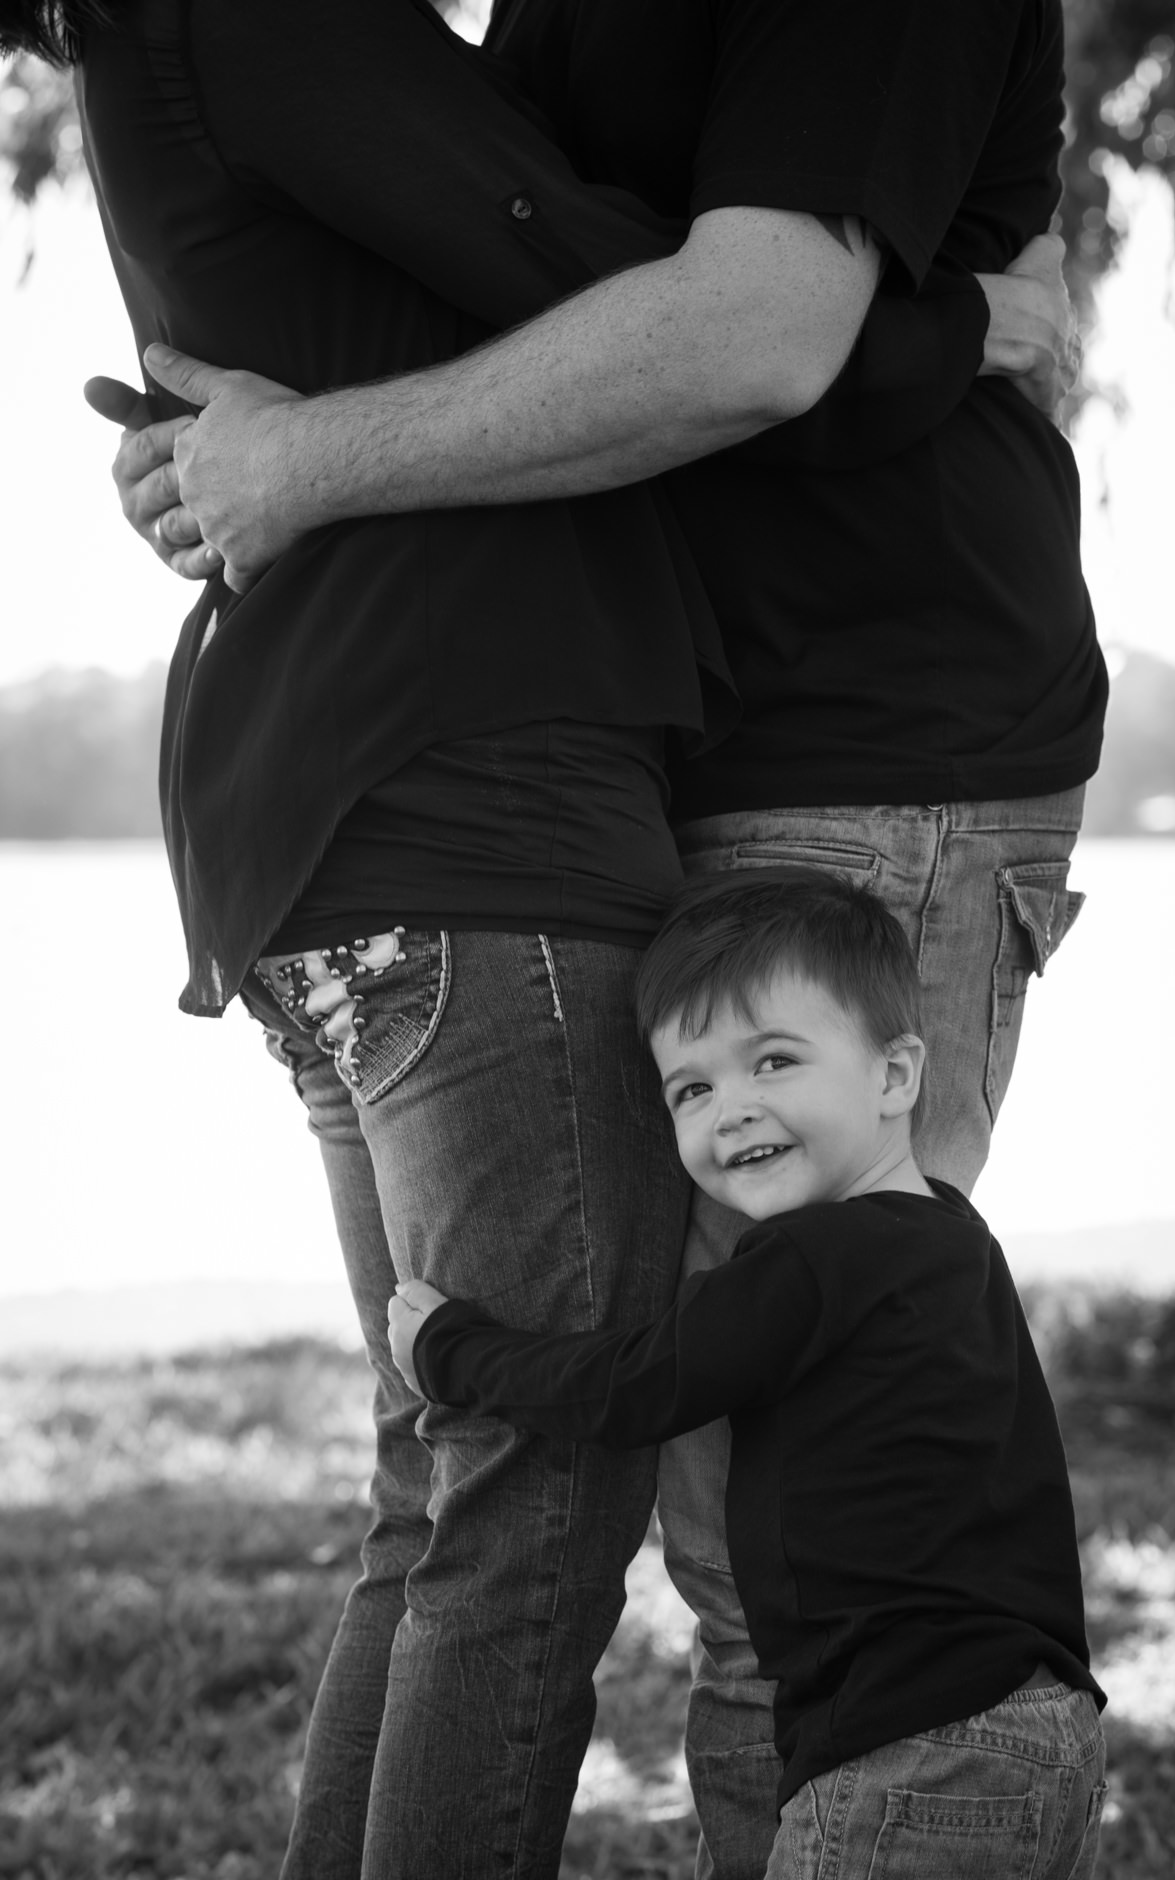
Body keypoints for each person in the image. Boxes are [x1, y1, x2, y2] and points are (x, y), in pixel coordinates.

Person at [2, 5, 1076, 1878]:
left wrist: (309, 450)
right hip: (583, 767)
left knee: (759, 1542)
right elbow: (537, 282)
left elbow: (737, 330)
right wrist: (272, 440)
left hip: (859, 736)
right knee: (532, 1517)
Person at [388, 867, 1108, 1880]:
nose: (732, 1109)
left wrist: (456, 1350)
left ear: (897, 1076)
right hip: (1049, 1735)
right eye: (693, 1087)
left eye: (774, 1060)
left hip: (905, 1749)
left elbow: (636, 1385)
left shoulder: (812, 1258)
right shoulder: (953, 1235)